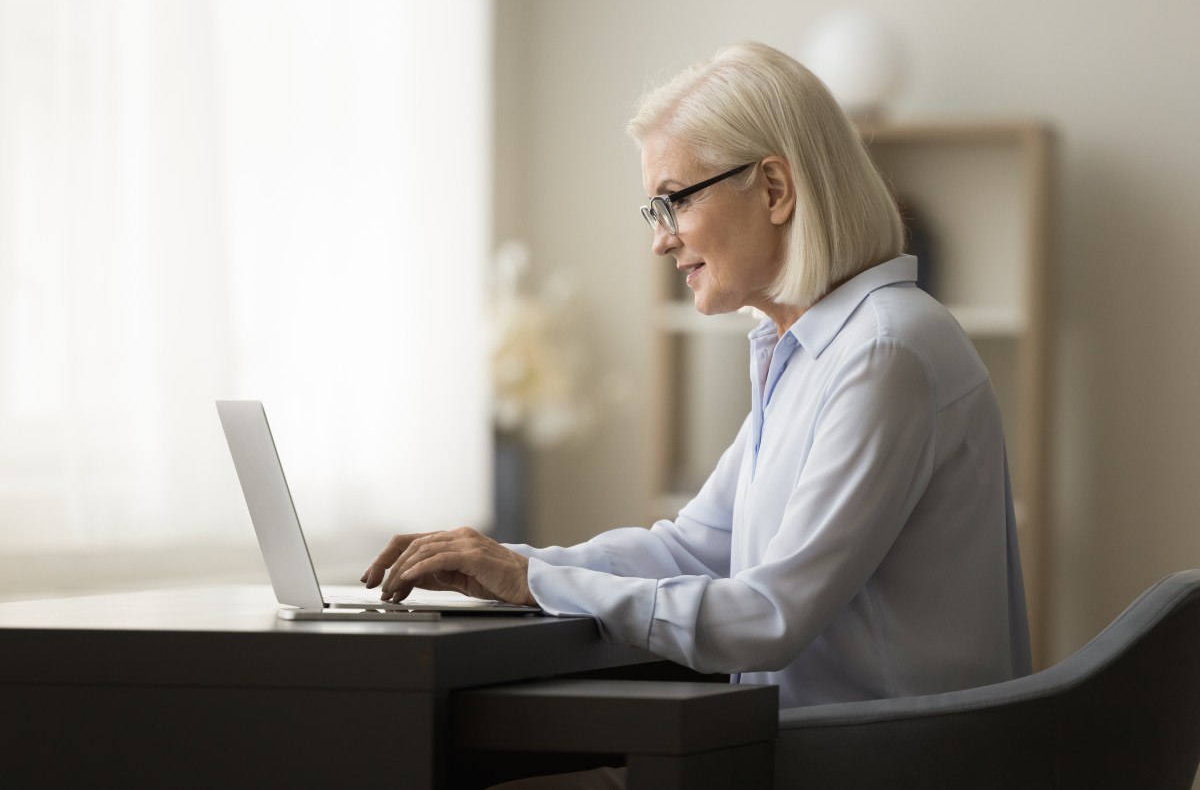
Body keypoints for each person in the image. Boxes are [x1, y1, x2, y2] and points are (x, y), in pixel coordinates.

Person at [361, 40, 1031, 714]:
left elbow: (767, 616)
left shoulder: (885, 351)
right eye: (656, 211)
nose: (661, 239)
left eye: (674, 200)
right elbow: (696, 548)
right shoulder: (813, 347)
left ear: (775, 189)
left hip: (874, 764)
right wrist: (505, 563)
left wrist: (530, 579)